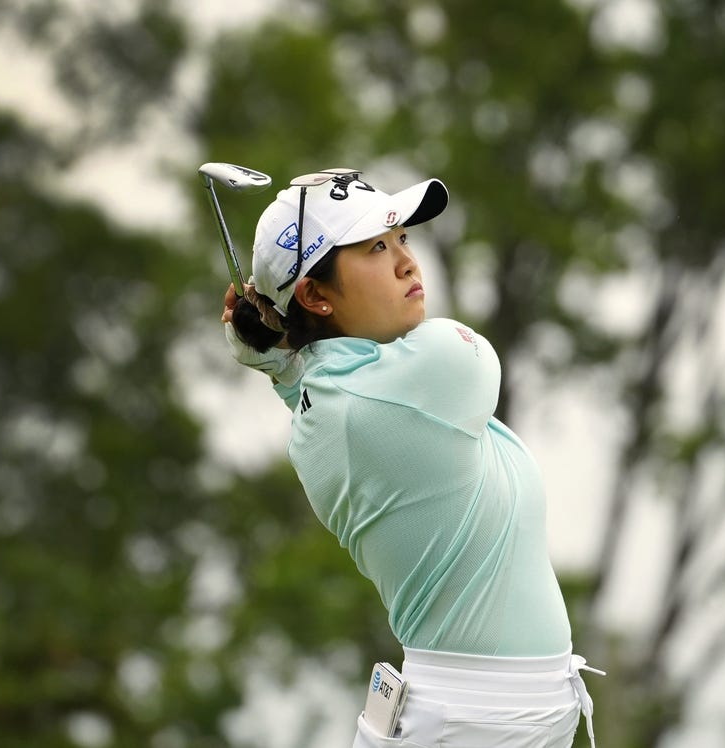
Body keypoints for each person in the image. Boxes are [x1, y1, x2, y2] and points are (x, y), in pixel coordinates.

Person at [220, 167, 603, 747]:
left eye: (402, 239)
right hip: (468, 724)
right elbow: (460, 358)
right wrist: (275, 353)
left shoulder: (324, 397)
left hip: (471, 717)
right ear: (315, 295)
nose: (407, 262)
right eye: (375, 247)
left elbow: (309, 372)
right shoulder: (434, 371)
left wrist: (276, 354)